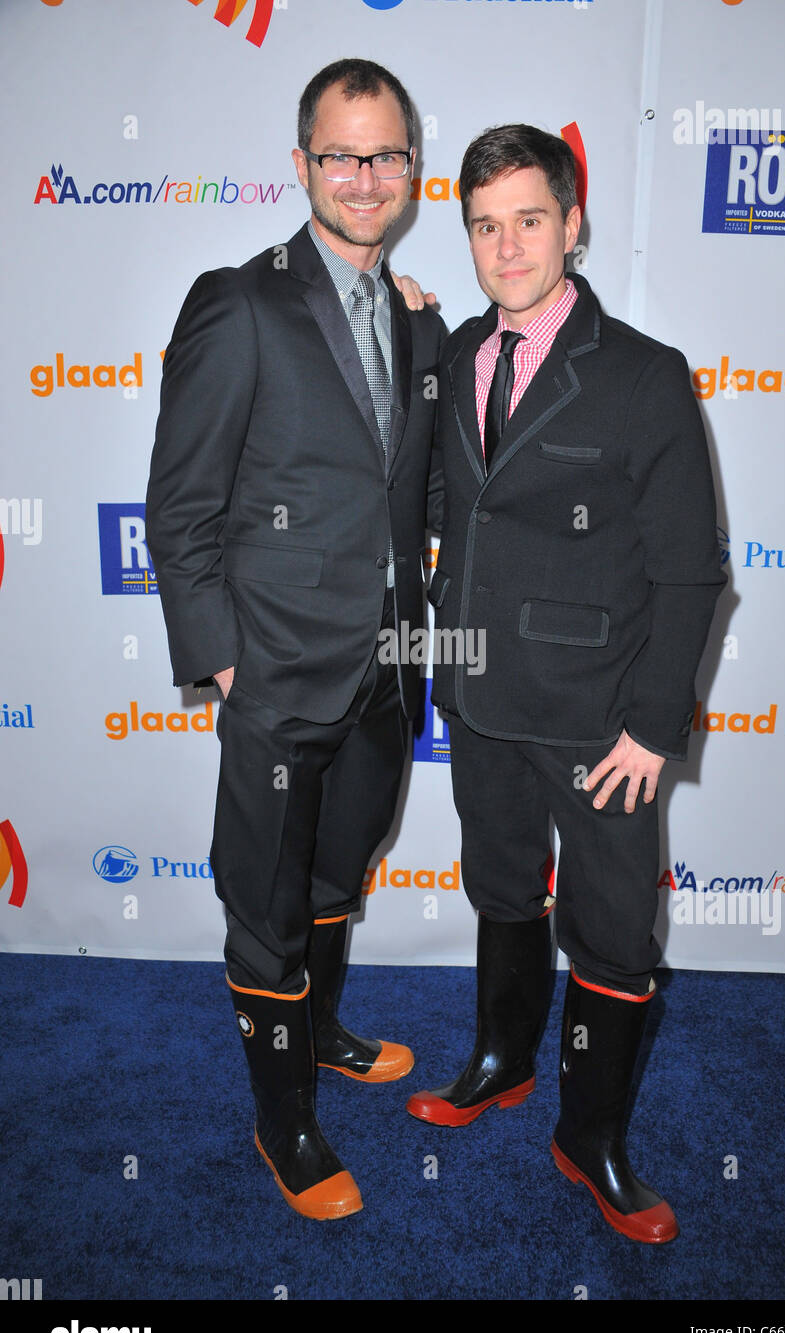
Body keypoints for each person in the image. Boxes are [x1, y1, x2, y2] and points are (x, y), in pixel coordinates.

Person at [409, 124, 726, 1243]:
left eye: (528, 220)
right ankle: (500, 1058)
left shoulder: (644, 374)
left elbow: (692, 570)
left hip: (602, 720)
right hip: (481, 693)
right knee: (502, 887)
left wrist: (652, 726)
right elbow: (453, 507)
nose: (507, 248)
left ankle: (588, 1135)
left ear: (573, 223)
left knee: (612, 936)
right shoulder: (451, 359)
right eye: (486, 226)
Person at [146, 59, 444, 1221]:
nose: (364, 179)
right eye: (340, 155)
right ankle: (285, 1125)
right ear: (302, 164)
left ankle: (319, 1034)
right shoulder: (241, 300)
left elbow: (414, 492)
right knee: (266, 897)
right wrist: (224, 655)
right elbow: (180, 503)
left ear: (411, 167)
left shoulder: (424, 327)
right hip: (274, 666)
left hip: (385, 666)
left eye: (385, 156)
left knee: (338, 863)